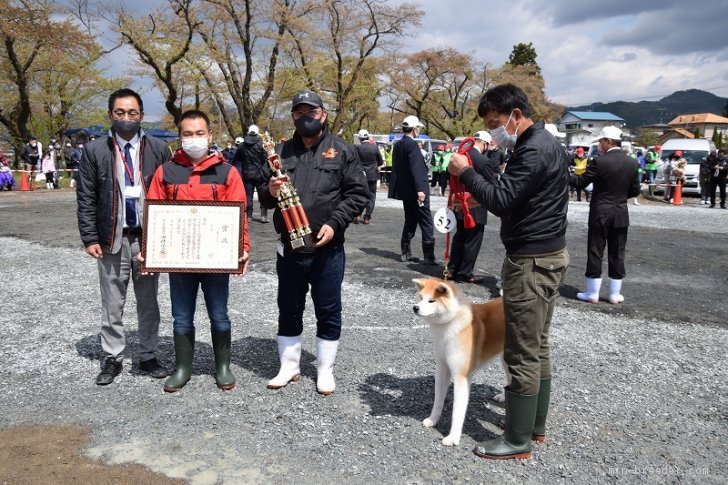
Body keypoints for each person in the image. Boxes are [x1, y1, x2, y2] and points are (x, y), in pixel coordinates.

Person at [447, 83, 570, 460]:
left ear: (516, 115)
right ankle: (534, 426)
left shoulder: (532, 148)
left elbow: (501, 200)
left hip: (530, 262)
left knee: (520, 349)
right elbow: (515, 190)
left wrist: (466, 173)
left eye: (496, 122)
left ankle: (517, 440)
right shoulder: (548, 144)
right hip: (549, 255)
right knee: (538, 343)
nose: (495, 129)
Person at [259, 90, 368, 395]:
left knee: (329, 308)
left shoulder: (342, 151)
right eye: (299, 113)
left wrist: (335, 224)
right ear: (293, 116)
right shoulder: (280, 153)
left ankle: (324, 370)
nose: (305, 118)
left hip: (327, 248)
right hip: (290, 247)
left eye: (311, 112)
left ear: (323, 114)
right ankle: (289, 366)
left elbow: (358, 194)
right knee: (289, 307)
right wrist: (268, 189)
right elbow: (264, 196)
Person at [146, 109, 250, 392]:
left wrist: (242, 249)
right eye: (188, 134)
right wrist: (150, 248)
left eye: (200, 133)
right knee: (181, 316)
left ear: (210, 135)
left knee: (219, 314)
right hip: (181, 260)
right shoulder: (166, 171)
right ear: (180, 137)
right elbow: (154, 214)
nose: (194, 139)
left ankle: (223, 367)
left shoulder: (226, 171)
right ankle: (182, 368)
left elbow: (239, 214)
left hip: (217, 260)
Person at [76, 88, 171, 385]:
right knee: (112, 302)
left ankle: (147, 354)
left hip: (147, 239)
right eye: (120, 113)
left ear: (141, 116)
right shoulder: (95, 151)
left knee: (148, 302)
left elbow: (169, 195)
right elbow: (86, 196)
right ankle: (112, 357)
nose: (126, 118)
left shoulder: (157, 148)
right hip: (111, 237)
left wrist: (164, 239)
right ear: (110, 115)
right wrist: (90, 237)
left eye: (132, 113)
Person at [571, 126, 640, 305]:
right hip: (620, 211)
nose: (599, 145)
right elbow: (635, 190)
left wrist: (563, 174)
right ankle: (614, 295)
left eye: (601, 141)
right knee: (618, 252)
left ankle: (592, 293)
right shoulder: (632, 163)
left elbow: (580, 182)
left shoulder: (598, 162)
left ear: (608, 141)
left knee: (595, 250)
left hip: (600, 211)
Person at [447, 131, 497, 283]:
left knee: (459, 237)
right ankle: (465, 273)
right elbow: (492, 186)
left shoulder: (460, 155)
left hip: (459, 201)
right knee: (472, 240)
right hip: (475, 204)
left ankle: (452, 269)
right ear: (485, 143)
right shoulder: (483, 161)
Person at [388, 115, 437, 265]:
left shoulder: (398, 144)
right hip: (417, 191)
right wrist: (421, 190)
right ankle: (429, 256)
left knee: (410, 220)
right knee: (426, 221)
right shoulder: (412, 145)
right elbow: (416, 169)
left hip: (405, 191)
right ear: (415, 129)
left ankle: (405, 253)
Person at [232, 124, 270, 222]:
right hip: (259, 173)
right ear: (257, 133)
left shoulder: (242, 145)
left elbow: (237, 159)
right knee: (262, 194)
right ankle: (263, 216)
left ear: (249, 132)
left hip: (247, 173)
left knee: (248, 195)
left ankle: (249, 216)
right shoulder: (261, 144)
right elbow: (265, 159)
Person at [353, 129, 385, 224]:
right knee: (371, 196)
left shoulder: (357, 148)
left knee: (360, 195)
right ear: (368, 137)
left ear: (359, 138)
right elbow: (381, 162)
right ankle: (367, 217)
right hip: (372, 176)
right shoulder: (374, 147)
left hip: (360, 175)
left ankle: (358, 215)